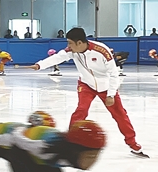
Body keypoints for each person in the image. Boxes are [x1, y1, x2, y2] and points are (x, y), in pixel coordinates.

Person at [30, 27, 145, 157]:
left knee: (120, 115)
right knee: (81, 110)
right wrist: (39, 65)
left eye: (70, 43)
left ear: (79, 43)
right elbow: (58, 57)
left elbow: (114, 74)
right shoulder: (72, 51)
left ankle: (133, 144)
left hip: (106, 87)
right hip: (86, 84)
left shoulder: (102, 51)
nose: (68, 46)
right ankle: (70, 142)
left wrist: (111, 94)